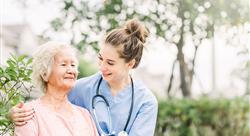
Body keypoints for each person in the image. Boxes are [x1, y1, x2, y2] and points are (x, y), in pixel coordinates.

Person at [10, 19, 158, 136]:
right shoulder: (81, 88)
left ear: (130, 64)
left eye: (110, 63)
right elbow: (49, 103)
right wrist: (16, 114)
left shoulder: (146, 102)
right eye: (100, 58)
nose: (102, 67)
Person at [14, 41, 97, 136]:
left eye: (73, 65)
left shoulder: (84, 115)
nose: (71, 70)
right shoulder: (28, 113)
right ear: (44, 74)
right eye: (63, 64)